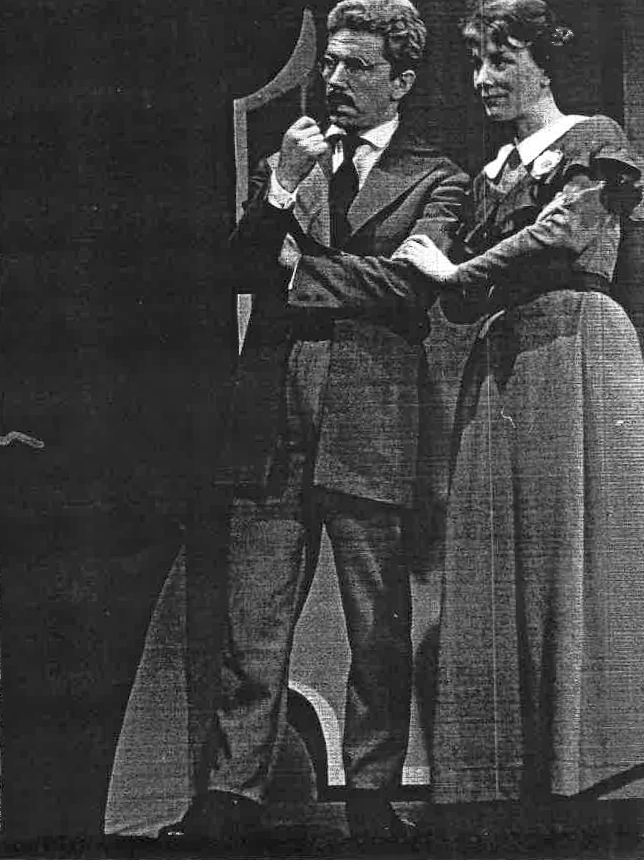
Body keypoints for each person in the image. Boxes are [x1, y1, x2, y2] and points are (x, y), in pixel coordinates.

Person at [159, 0, 468, 847]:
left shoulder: (439, 178)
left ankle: (371, 794)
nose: (334, 80)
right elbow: (239, 266)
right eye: (330, 62)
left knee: (378, 628)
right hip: (270, 421)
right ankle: (231, 795)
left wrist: (300, 269)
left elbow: (410, 288)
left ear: (401, 80)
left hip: (370, 422)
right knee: (250, 628)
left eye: (357, 66)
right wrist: (280, 192)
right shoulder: (288, 162)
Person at [393, 0, 644, 806]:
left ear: (543, 62)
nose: (483, 78)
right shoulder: (493, 174)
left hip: (577, 346)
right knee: (502, 551)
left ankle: (592, 765)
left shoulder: (591, 137)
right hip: (506, 357)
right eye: (475, 62)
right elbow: (464, 299)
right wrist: (448, 272)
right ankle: (514, 779)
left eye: (501, 60)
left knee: (575, 544)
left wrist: (455, 271)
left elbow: (563, 235)